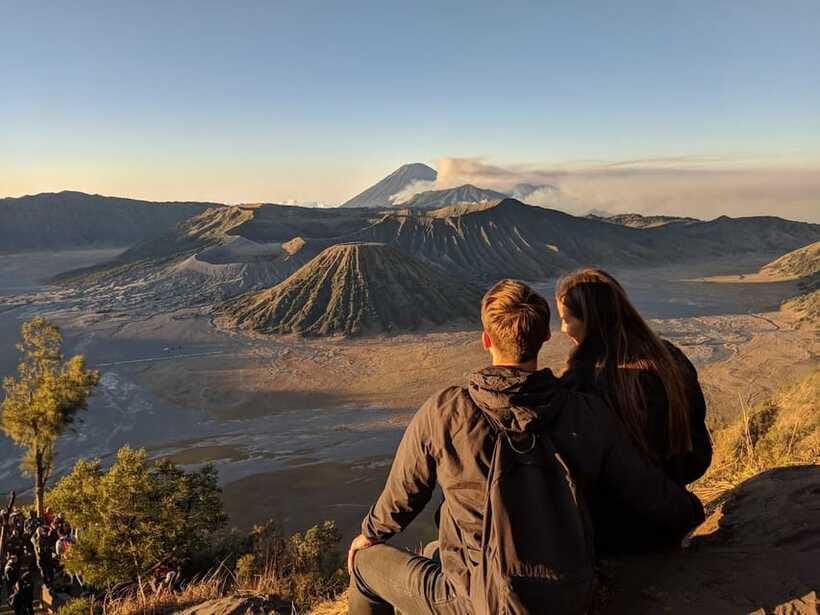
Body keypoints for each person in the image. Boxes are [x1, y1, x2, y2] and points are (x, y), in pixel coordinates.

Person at [347, 279, 705, 615]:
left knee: (364, 563)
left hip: (480, 600)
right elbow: (644, 487)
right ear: (545, 337)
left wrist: (370, 534)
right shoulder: (585, 412)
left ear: (486, 339)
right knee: (433, 550)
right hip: (572, 594)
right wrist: (691, 512)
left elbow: (403, 496)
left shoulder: (447, 411)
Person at [555, 268, 713, 553]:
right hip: (669, 521)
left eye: (566, 319)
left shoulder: (580, 385)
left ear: (590, 320)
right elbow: (697, 455)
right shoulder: (668, 360)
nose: (563, 329)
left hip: (610, 537)